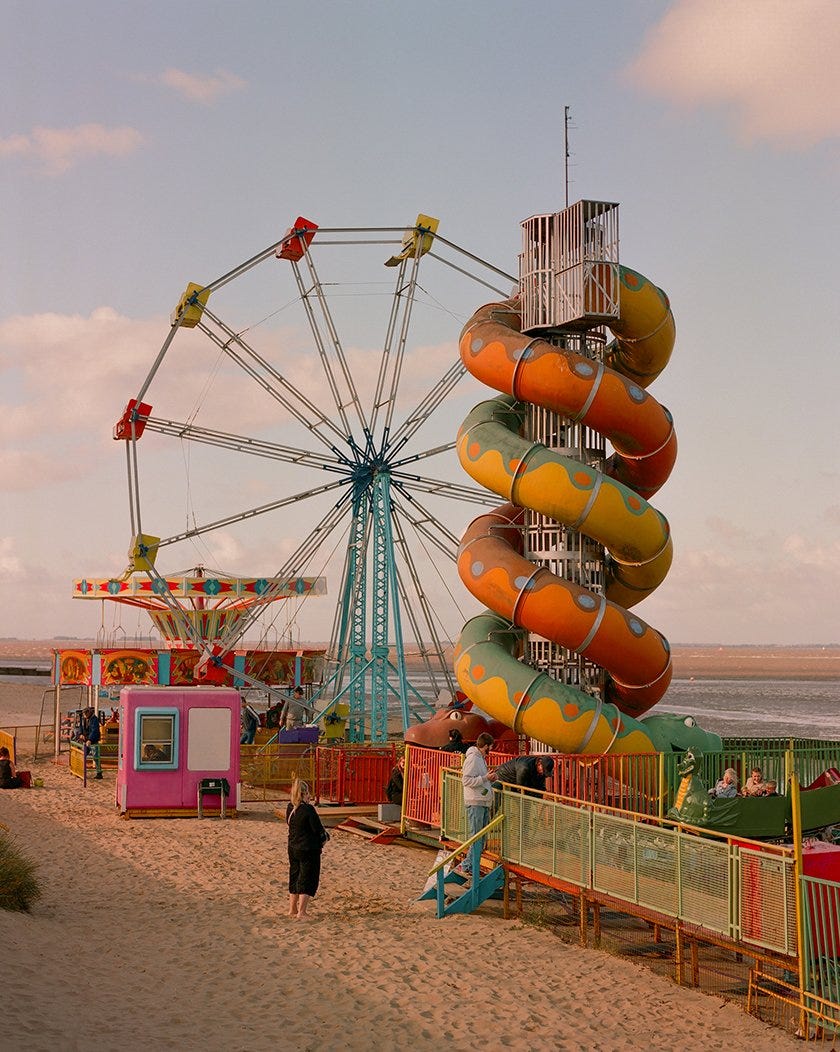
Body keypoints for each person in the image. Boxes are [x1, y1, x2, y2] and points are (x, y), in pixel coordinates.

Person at [285, 778, 329, 919]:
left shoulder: (290, 807)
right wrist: (324, 839)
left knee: (295, 875)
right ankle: (302, 912)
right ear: (304, 794)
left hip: (292, 846)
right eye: (308, 793)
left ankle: (292, 909)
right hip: (308, 848)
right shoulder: (308, 809)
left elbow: (289, 824)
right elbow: (317, 829)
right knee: (307, 877)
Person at [459, 732, 496, 878]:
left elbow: (479, 779)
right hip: (475, 802)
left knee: (481, 837)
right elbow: (466, 780)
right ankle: (468, 865)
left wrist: (488, 779)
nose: (490, 750)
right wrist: (485, 778)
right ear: (485, 746)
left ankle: (472, 865)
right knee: (476, 836)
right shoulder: (474, 758)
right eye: (490, 747)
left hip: (482, 801)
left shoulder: (480, 759)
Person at [83, 706, 103, 779]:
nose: (84, 716)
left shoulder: (94, 720)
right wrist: (82, 735)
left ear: (88, 713)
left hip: (93, 741)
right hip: (87, 740)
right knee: (83, 754)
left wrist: (90, 739)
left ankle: (99, 772)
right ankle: (82, 770)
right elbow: (84, 729)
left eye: (85, 714)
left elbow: (94, 731)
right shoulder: (87, 720)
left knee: (96, 757)